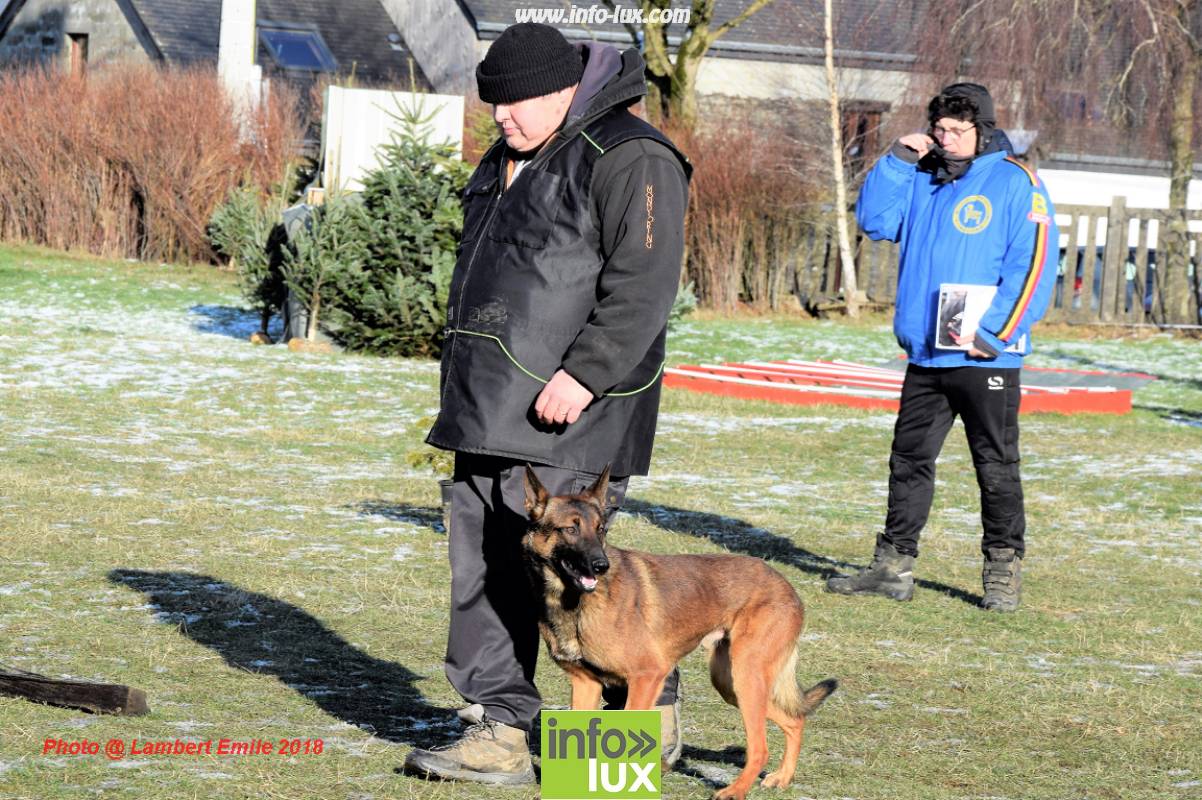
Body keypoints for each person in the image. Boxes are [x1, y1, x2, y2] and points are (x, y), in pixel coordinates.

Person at [402, 23, 691, 785]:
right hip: (486, 408)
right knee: (485, 575)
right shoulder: (508, 155)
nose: (500, 116)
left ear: (567, 87)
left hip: (574, 414)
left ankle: (636, 734)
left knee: (582, 582)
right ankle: (500, 730)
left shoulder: (632, 156)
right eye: (491, 103)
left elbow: (646, 286)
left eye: (516, 102)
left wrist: (586, 374)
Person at [826, 83, 1057, 613]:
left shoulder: (1017, 181)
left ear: (985, 131)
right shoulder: (922, 177)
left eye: (958, 131)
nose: (946, 139)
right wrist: (897, 161)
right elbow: (876, 223)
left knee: (994, 465)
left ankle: (1003, 567)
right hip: (927, 353)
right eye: (940, 129)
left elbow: (1037, 264)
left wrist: (994, 332)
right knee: (908, 461)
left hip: (984, 354)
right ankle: (892, 567)